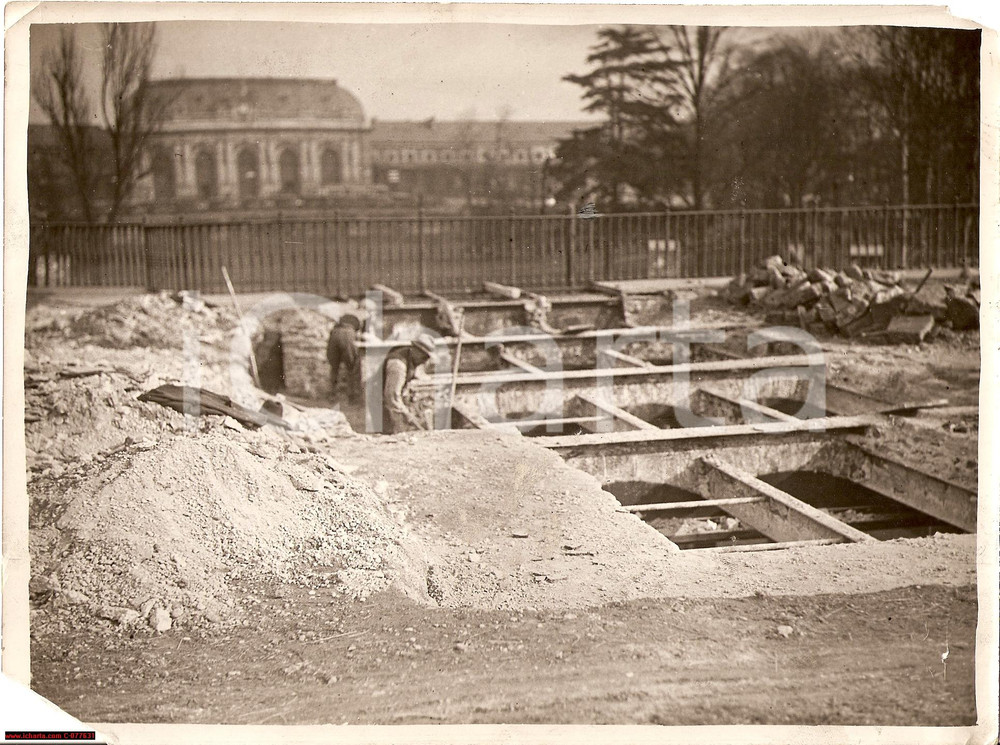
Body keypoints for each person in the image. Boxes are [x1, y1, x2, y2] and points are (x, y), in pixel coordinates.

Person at [381, 333, 436, 434]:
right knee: (398, 434)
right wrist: (408, 416)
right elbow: (392, 397)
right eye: (424, 356)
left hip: (394, 398)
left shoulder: (412, 358)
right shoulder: (397, 365)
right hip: (381, 402)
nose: (425, 360)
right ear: (415, 349)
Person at [326, 314, 362, 405]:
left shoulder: (343, 318)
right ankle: (352, 397)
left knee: (334, 368)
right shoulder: (359, 316)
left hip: (335, 332)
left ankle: (332, 396)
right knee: (352, 368)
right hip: (348, 333)